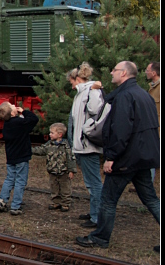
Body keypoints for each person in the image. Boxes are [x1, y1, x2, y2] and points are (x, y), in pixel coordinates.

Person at [76, 61, 160, 249]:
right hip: (144, 157)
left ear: (123, 73)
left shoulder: (125, 96)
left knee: (108, 200)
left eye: (114, 70)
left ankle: (100, 238)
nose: (111, 72)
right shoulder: (143, 94)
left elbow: (120, 130)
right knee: (151, 199)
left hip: (127, 158)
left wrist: (111, 157)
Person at [66, 62, 104, 229]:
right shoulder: (81, 93)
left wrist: (95, 90)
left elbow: (95, 111)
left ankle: (97, 217)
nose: (71, 85)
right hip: (81, 145)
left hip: (87, 146)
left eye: (71, 81)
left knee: (94, 183)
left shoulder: (91, 91)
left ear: (77, 79)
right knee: (90, 182)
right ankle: (94, 212)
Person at [0, 102, 39, 215]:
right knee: (20, 181)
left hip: (11, 156)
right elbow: (34, 119)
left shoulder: (7, 124)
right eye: (12, 106)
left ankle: (2, 201)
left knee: (10, 178)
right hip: (22, 156)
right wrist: (23, 111)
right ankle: (15, 206)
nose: (15, 105)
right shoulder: (19, 123)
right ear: (13, 112)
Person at [32, 122, 76, 211]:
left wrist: (71, 170)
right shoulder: (49, 144)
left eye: (52, 133)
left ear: (60, 134)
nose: (50, 134)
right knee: (54, 187)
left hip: (64, 171)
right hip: (52, 170)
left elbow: (70, 158)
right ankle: (56, 202)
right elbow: (41, 150)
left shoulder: (66, 146)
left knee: (65, 188)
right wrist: (30, 150)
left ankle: (65, 203)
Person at [146, 62, 160, 182]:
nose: (145, 72)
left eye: (147, 70)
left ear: (154, 73)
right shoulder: (152, 86)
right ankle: (146, 183)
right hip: (153, 127)